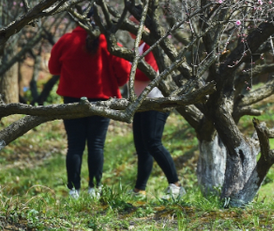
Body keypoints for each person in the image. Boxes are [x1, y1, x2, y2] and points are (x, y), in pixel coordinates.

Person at [48, 25, 131, 199]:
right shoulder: (108, 42)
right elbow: (124, 71)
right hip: (101, 99)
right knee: (96, 145)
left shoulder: (66, 40)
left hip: (72, 100)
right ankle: (95, 188)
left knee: (75, 146)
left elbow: (53, 68)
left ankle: (73, 191)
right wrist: (114, 81)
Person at [129, 27, 184, 200]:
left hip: (155, 101)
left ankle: (175, 185)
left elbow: (147, 73)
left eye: (136, 22)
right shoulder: (138, 46)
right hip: (140, 103)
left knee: (153, 142)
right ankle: (140, 190)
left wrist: (126, 68)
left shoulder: (151, 45)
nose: (132, 26)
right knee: (142, 147)